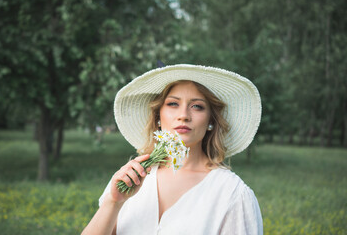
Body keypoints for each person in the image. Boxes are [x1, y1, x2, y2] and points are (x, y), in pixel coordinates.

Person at [82, 64, 263, 235]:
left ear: (210, 121)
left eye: (197, 106)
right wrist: (113, 202)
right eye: (173, 104)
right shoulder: (130, 177)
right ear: (158, 116)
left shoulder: (232, 194)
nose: (183, 115)